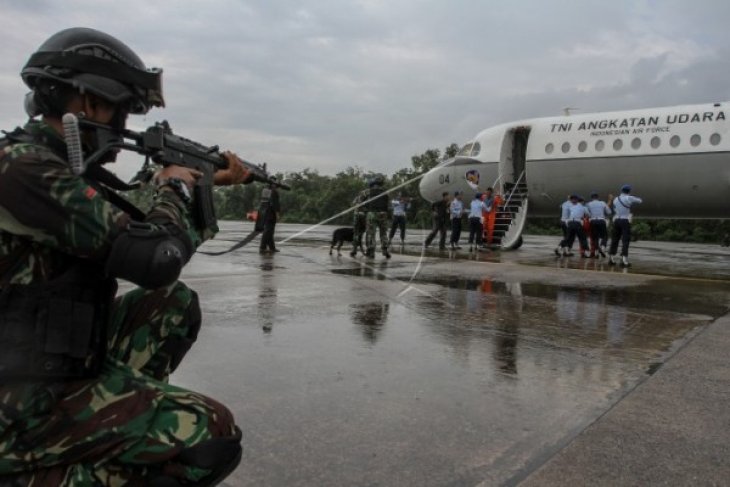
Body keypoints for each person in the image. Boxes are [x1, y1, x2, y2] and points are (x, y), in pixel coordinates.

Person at [0, 28, 252, 486]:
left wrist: (203, 183)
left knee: (168, 305)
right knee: (209, 433)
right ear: (86, 101)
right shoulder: (20, 167)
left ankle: (113, 428)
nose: (121, 126)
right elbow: (153, 257)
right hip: (17, 399)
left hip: (53, 362)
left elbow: (140, 228)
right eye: (121, 110)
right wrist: (174, 184)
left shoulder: (62, 171)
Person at [608, 184, 643, 267]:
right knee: (625, 240)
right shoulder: (629, 198)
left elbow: (614, 208)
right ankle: (624, 260)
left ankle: (611, 258)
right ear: (629, 191)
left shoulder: (616, 199)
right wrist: (631, 198)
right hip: (625, 220)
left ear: (621, 190)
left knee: (615, 240)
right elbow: (640, 201)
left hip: (616, 220)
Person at [364, 175, 391, 259]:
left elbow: (361, 201)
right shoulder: (386, 192)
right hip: (383, 214)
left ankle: (371, 251)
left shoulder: (368, 191)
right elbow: (388, 204)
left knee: (371, 233)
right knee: (383, 233)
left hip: (372, 214)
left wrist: (365, 209)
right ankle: (385, 250)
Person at [586, 192, 613, 258]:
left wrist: (591, 216)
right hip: (601, 221)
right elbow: (609, 212)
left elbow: (587, 213)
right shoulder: (602, 203)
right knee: (605, 236)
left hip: (593, 221)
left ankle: (596, 253)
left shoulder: (588, 204)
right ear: (598, 197)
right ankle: (603, 247)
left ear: (591, 198)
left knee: (595, 237)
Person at [257, 179, 281, 253]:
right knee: (268, 231)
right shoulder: (274, 192)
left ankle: (271, 247)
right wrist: (277, 214)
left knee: (269, 231)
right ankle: (262, 247)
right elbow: (275, 204)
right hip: (270, 214)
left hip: (264, 213)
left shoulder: (265, 191)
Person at [350, 189, 368, 257]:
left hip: (356, 215)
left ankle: (354, 250)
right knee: (364, 233)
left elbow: (352, 204)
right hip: (363, 216)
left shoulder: (357, 198)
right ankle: (365, 249)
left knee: (356, 233)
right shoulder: (367, 199)